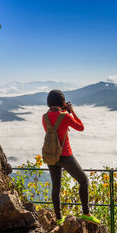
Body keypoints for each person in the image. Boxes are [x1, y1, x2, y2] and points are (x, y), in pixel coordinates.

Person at [42, 89, 100, 225]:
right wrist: (71, 111)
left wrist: (63, 110)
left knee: (56, 186)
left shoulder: (44, 117)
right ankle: (86, 213)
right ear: (62, 101)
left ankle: (59, 218)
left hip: (51, 155)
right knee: (84, 181)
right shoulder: (65, 116)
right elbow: (81, 127)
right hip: (65, 155)